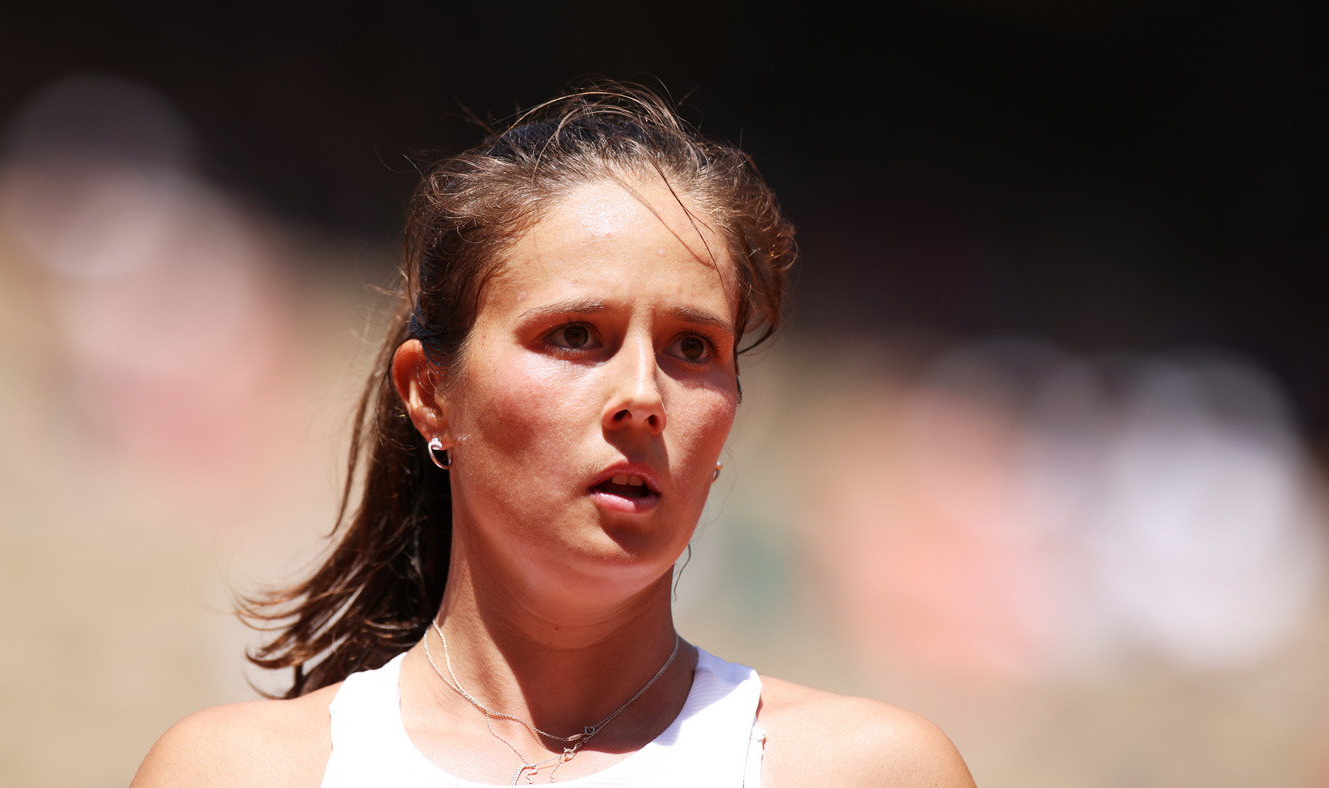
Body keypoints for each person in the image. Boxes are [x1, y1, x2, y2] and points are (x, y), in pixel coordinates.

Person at [131, 83, 975, 787]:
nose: (643, 396)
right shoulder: (233, 773)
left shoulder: (871, 772)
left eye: (692, 348)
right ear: (430, 394)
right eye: (575, 334)